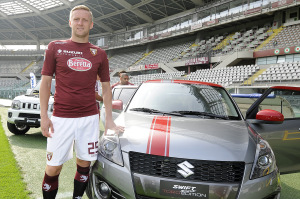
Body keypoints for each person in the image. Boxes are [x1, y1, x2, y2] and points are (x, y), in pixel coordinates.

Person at [39, 5, 124, 199]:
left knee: (85, 164)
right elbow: (45, 83)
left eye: (85, 20)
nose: (80, 23)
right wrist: (44, 116)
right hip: (61, 119)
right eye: (76, 19)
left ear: (91, 24)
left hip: (89, 119)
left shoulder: (99, 54)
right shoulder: (55, 47)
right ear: (70, 22)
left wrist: (109, 120)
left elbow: (105, 89)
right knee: (52, 168)